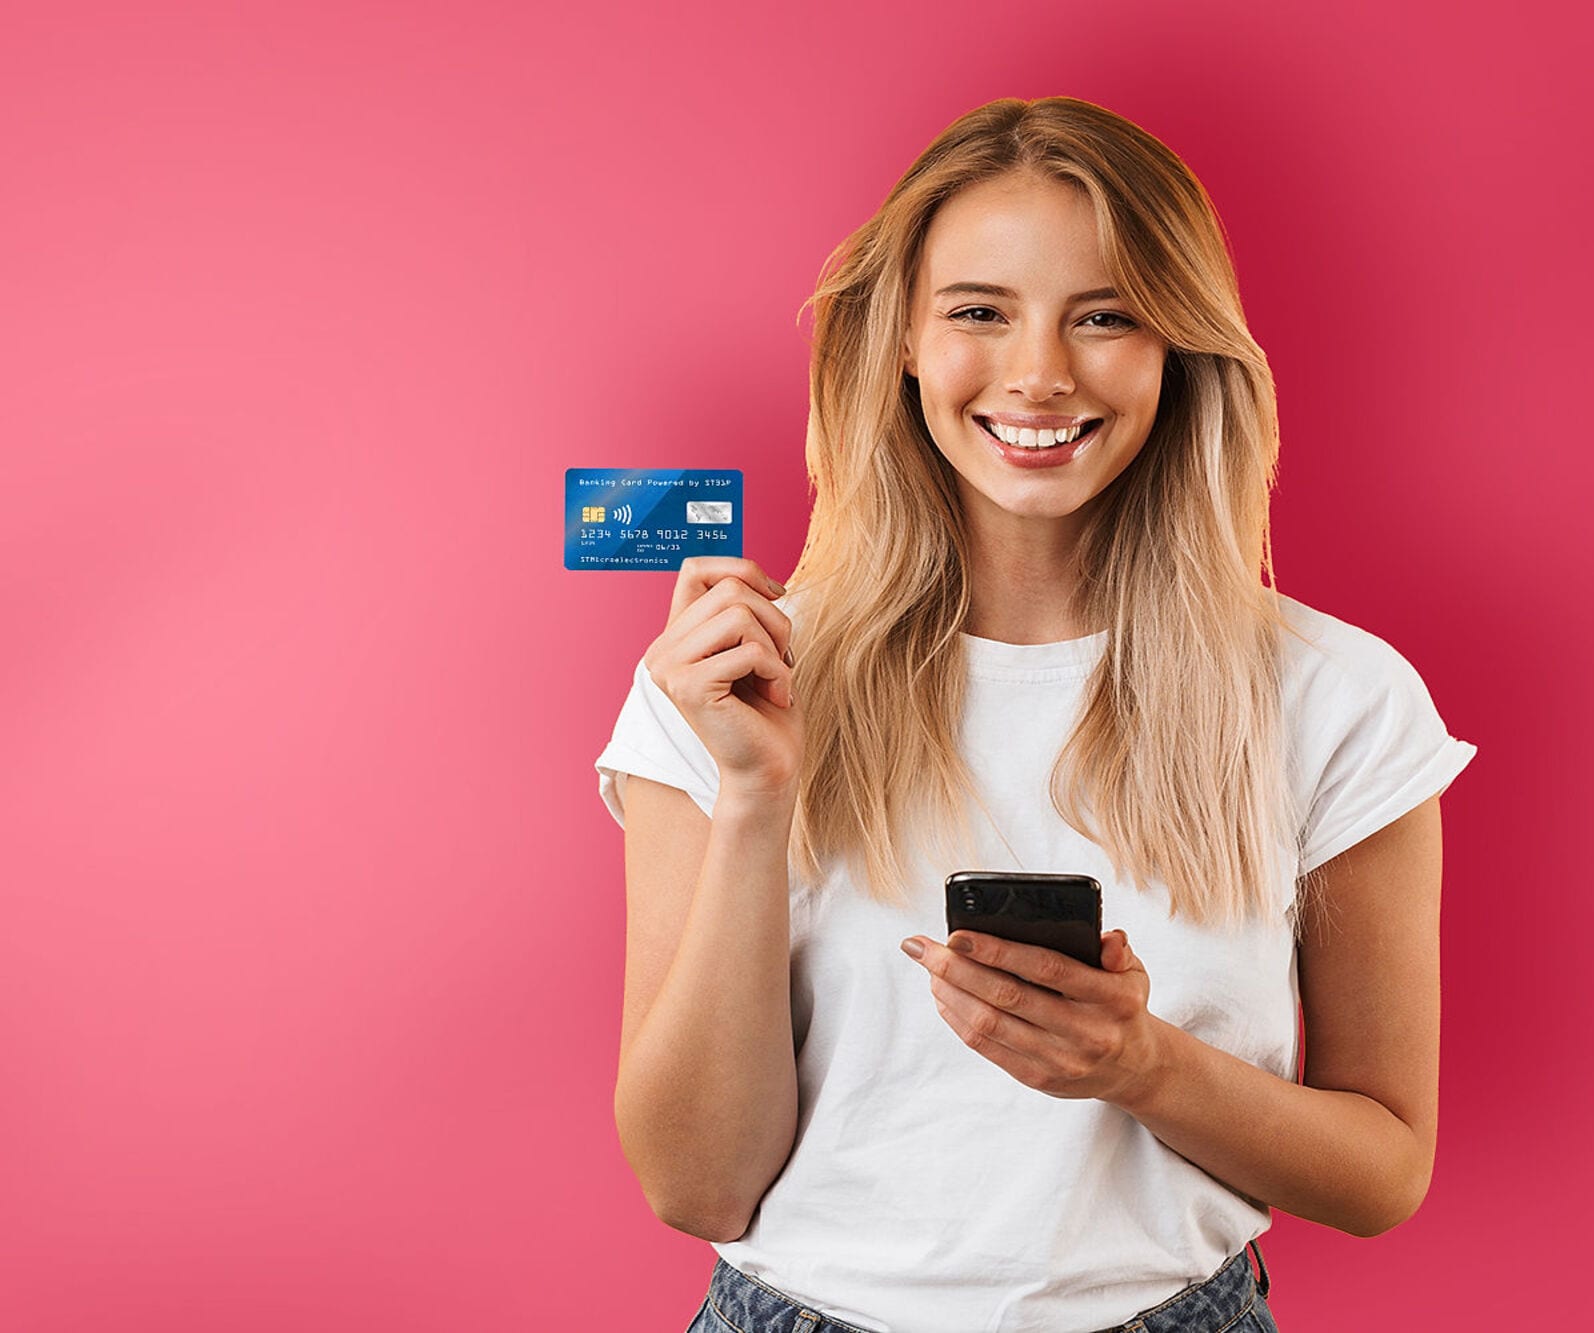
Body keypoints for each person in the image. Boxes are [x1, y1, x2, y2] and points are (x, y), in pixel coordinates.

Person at [593, 96, 1478, 1333]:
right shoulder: (730, 684)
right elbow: (696, 1185)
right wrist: (752, 798)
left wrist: (1141, 1067)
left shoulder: (1335, 698)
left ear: (1178, 349)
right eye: (977, 312)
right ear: (900, 341)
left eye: (1104, 316)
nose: (1038, 374)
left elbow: (1381, 1172)